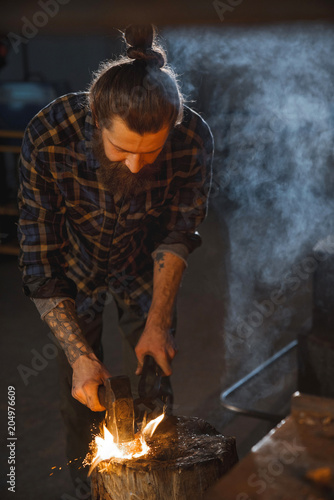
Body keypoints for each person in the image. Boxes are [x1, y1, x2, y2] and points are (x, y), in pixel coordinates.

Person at [17, 24, 213, 483]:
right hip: (73, 262)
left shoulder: (192, 138)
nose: (136, 165)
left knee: (154, 381)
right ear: (96, 118)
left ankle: (158, 485)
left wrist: (158, 323)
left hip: (145, 262)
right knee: (83, 393)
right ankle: (88, 492)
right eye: (122, 148)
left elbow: (180, 232)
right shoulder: (49, 135)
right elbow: (39, 260)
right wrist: (78, 354)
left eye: (151, 152)